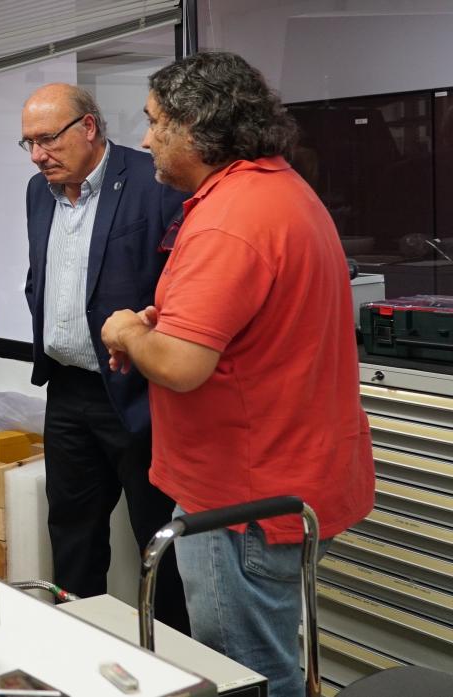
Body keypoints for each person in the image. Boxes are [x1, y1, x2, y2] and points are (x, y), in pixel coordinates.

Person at [99, 52, 374, 697]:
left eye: (154, 122)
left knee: (248, 673)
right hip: (292, 475)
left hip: (242, 496)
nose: (144, 140)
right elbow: (244, 327)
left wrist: (130, 333)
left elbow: (182, 366)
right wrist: (164, 322)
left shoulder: (228, 219)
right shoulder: (276, 190)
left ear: (195, 125)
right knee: (279, 654)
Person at [21, 84, 189, 632]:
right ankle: (78, 645)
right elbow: (39, 277)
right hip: (66, 392)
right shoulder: (36, 191)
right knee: (72, 533)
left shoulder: (152, 183)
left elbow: (177, 292)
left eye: (47, 140)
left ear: (88, 127)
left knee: (157, 540)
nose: (37, 155)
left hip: (137, 395)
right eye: (28, 143)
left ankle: (170, 659)